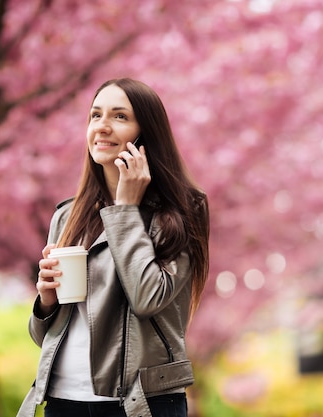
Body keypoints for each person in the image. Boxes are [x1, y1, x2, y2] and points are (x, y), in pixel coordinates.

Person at [17, 78, 210, 417]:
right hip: (63, 400)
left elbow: (148, 298)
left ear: (145, 134)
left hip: (141, 402)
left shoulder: (181, 211)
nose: (102, 127)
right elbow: (43, 336)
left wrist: (124, 210)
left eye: (119, 117)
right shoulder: (67, 215)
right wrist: (46, 301)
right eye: (95, 115)